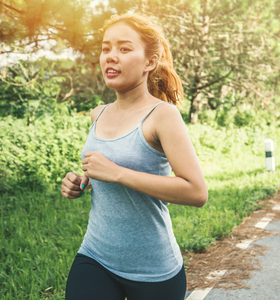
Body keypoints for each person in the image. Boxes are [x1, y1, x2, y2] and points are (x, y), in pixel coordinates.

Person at [60, 12, 208, 300]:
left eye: (124, 49)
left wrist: (117, 173)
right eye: (106, 48)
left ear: (150, 62)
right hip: (96, 256)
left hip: (154, 270)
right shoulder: (98, 113)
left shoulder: (162, 115)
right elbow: (101, 170)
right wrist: (81, 181)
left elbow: (196, 192)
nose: (111, 57)